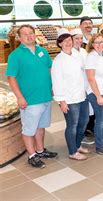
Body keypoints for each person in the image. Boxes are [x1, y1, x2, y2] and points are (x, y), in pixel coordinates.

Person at [6, 25, 57, 168]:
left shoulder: (43, 51)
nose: (29, 36)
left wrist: (52, 87)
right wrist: (20, 97)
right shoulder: (15, 55)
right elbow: (11, 78)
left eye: (31, 33)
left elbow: (49, 69)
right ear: (19, 38)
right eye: (25, 34)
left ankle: (40, 150)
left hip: (45, 97)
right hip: (30, 100)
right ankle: (32, 155)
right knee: (29, 129)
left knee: (41, 127)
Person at [52, 30, 90, 160]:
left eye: (69, 40)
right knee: (72, 125)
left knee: (84, 121)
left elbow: (83, 73)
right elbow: (56, 82)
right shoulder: (58, 60)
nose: (68, 43)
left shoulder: (76, 54)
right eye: (64, 41)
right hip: (69, 99)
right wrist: (61, 101)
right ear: (60, 43)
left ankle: (78, 144)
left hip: (81, 95)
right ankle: (72, 151)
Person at [85, 34, 103, 156]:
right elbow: (91, 78)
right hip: (97, 93)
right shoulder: (91, 57)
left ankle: (101, 141)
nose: (99, 44)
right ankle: (99, 146)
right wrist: (98, 96)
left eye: (101, 42)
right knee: (100, 120)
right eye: (96, 42)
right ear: (92, 44)